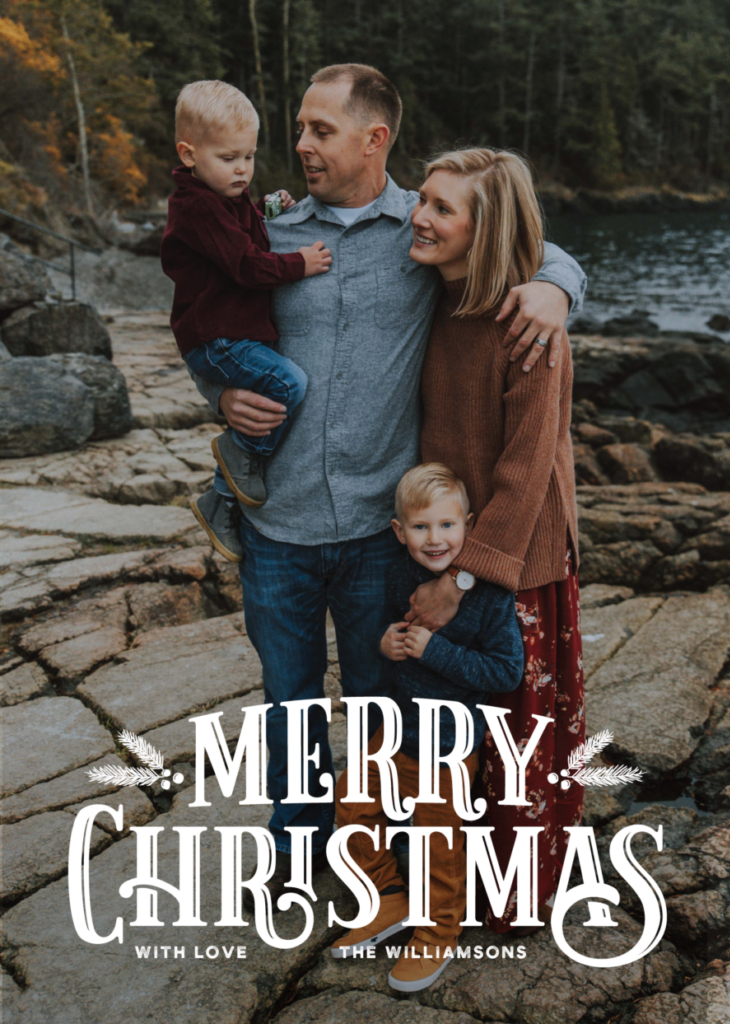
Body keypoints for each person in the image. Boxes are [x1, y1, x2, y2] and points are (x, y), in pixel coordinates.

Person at [188, 64, 586, 904]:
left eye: (318, 130)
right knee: (288, 706)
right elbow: (202, 315)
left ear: (375, 140)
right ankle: (299, 863)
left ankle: (399, 865)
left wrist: (558, 285)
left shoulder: (419, 227)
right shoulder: (265, 234)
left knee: (387, 709)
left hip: (380, 530)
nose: (298, 146)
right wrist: (217, 392)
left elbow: (519, 236)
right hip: (277, 528)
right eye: (295, 128)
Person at [407, 147, 584, 932]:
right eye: (422, 198)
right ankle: (450, 885)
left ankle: (515, 901)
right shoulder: (433, 295)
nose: (420, 216)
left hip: (519, 561)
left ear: (485, 230)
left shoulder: (528, 322)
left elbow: (525, 471)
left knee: (517, 741)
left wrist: (462, 581)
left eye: (444, 208)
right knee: (455, 737)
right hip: (444, 546)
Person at [332, 463, 523, 992]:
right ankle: (388, 895)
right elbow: (402, 645)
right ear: (400, 532)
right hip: (398, 733)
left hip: (449, 748)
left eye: (446, 526)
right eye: (420, 527)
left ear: (470, 525)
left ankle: (439, 930)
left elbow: (505, 671)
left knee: (439, 839)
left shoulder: (489, 596)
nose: (434, 539)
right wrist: (387, 646)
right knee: (350, 801)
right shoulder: (401, 576)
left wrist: (435, 650)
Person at [161, 79, 332, 563]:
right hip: (216, 337)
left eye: (249, 157)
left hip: (229, 335)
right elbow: (244, 265)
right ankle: (241, 453)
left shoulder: (223, 199)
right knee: (290, 382)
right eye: (229, 158)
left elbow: (242, 230)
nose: (242, 169)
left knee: (274, 390)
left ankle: (220, 501)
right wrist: (301, 262)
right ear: (189, 154)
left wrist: (267, 210)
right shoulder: (195, 206)